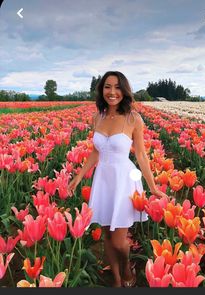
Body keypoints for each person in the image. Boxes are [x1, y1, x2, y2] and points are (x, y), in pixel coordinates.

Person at [68, 71, 168, 287]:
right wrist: (78, 176)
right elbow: (96, 152)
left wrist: (152, 187)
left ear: (124, 90)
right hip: (102, 179)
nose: (112, 92)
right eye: (107, 87)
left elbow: (141, 155)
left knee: (118, 240)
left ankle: (126, 265)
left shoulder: (134, 119)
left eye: (117, 87)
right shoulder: (98, 116)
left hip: (124, 181)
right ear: (101, 90)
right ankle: (116, 279)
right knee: (106, 236)